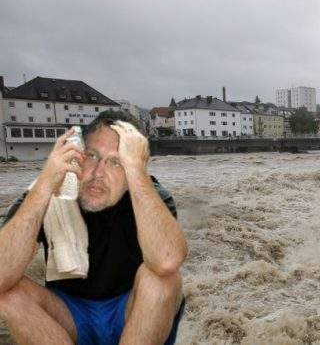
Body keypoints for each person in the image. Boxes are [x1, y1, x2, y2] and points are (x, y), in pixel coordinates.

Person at [0, 110, 188, 345]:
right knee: (8, 293)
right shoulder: (46, 191)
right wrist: (45, 186)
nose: (98, 173)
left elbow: (168, 260)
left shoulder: (150, 195)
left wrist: (137, 173)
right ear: (77, 154)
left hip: (131, 315)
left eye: (116, 162)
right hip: (68, 314)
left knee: (164, 280)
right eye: (92, 156)